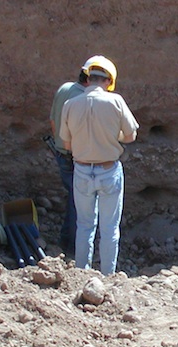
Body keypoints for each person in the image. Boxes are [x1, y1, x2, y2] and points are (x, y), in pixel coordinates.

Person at [60, 55, 139, 275]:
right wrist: (112, 137)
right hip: (108, 171)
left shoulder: (70, 104)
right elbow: (131, 135)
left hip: (82, 170)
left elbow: (67, 143)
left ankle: (81, 274)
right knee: (109, 229)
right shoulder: (116, 101)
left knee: (84, 226)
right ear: (108, 81)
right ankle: (107, 277)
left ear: (87, 78)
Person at [48, 56, 97, 256]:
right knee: (79, 203)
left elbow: (53, 121)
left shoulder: (64, 88)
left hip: (60, 151)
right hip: (75, 156)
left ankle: (67, 242)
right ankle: (72, 247)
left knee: (73, 199)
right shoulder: (85, 99)